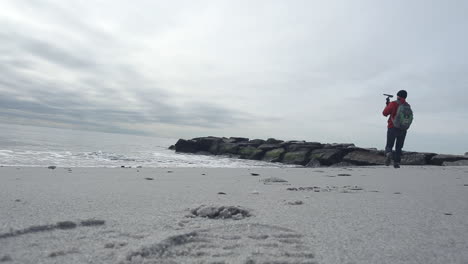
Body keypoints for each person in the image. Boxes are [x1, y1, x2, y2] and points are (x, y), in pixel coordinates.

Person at [382, 90, 409, 168]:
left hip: (392, 127)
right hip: (403, 129)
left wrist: (387, 104)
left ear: (398, 96)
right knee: (399, 147)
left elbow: (384, 113)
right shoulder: (407, 105)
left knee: (389, 145)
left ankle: (389, 153)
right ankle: (396, 163)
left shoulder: (393, 104)